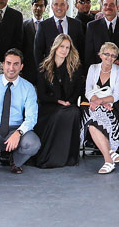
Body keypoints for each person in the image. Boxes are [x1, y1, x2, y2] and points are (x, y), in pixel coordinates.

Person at [0, 49, 42, 174]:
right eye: (8, 63)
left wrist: (19, 132)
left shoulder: (28, 88)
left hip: (15, 129)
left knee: (33, 144)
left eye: (16, 64)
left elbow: (32, 117)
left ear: (21, 66)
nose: (11, 68)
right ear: (3, 64)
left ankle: (15, 161)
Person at [33, 34, 82, 168]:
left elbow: (78, 90)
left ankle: (67, 158)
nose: (64, 50)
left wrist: (68, 102)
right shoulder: (44, 67)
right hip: (49, 106)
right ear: (55, 46)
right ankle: (51, 157)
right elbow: (42, 94)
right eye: (62, 46)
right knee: (64, 113)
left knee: (73, 112)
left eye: (67, 47)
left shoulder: (74, 66)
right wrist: (58, 101)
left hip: (68, 105)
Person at [82, 42, 119, 174]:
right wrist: (97, 102)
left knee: (92, 125)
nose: (109, 58)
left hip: (110, 107)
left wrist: (102, 101)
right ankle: (109, 156)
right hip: (92, 104)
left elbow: (116, 95)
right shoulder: (93, 68)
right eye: (106, 54)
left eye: (113, 56)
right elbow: (88, 90)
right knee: (93, 119)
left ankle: (108, 159)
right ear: (100, 55)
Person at [34, 0, 86, 73]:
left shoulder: (76, 24)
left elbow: (81, 49)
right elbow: (38, 51)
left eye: (62, 4)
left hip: (72, 71)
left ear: (67, 7)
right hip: (50, 72)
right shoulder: (43, 25)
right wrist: (42, 71)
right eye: (56, 4)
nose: (59, 7)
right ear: (52, 7)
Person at [85, 0, 119, 67]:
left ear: (117, 7)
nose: (108, 7)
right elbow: (89, 53)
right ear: (102, 8)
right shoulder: (92, 26)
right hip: (99, 71)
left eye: (111, 4)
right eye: (105, 5)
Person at [21, 0, 47, 83]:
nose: (38, 8)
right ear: (32, 7)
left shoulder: (49, 25)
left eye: (41, 6)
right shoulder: (24, 25)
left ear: (45, 8)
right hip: (28, 68)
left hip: (45, 68)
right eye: (36, 5)